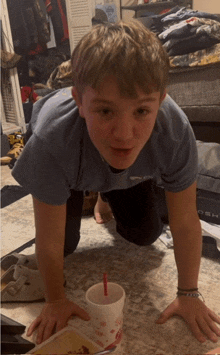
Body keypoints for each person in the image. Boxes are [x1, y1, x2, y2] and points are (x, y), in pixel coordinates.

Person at [11, 20, 220, 345]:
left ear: (161, 100)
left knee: (145, 234)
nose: (124, 133)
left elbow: (186, 223)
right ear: (79, 101)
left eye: (141, 111)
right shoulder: (52, 139)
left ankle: (105, 192)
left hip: (114, 162)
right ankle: (87, 188)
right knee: (64, 245)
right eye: (106, 111)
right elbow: (49, 241)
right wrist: (54, 300)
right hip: (70, 160)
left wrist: (189, 292)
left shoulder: (175, 132)